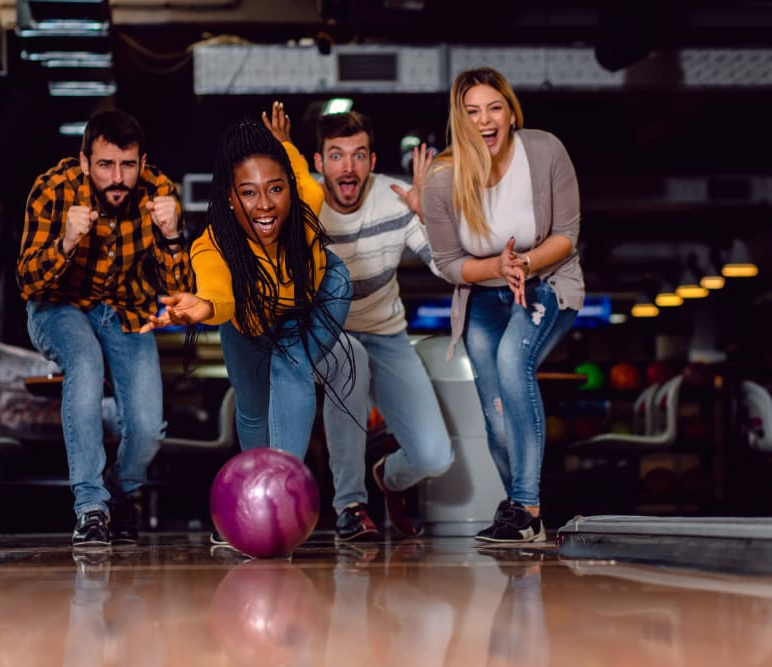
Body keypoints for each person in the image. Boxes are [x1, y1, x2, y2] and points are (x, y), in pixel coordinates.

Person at [262, 102, 455, 540]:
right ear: (318, 163)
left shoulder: (397, 198)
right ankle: (350, 504)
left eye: (358, 155)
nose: (347, 167)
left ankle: (389, 476)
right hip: (325, 333)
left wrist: (429, 215)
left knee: (434, 457)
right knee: (352, 360)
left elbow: (447, 268)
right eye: (336, 155)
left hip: (387, 334)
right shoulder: (301, 201)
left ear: (371, 160)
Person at [420, 66, 584, 543]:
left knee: (515, 363)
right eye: (471, 112)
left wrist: (523, 265)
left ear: (511, 113)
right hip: (483, 297)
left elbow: (567, 236)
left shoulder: (545, 150)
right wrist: (496, 268)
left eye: (494, 108)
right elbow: (450, 262)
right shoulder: (442, 178)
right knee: (495, 412)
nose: (484, 120)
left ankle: (527, 509)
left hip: (546, 283)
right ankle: (520, 505)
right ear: (459, 121)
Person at [17, 110, 194, 548]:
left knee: (149, 426)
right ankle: (91, 508)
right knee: (84, 361)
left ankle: (120, 493)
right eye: (105, 165)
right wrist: (66, 244)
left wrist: (172, 238)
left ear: (143, 161)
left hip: (127, 311)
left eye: (128, 165)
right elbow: (27, 282)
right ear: (84, 161)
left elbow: (180, 295)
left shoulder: (159, 192)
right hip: (59, 306)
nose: (118, 178)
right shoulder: (52, 189)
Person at [140, 117, 352, 475]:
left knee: (291, 363)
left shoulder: (308, 200)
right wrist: (204, 306)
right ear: (231, 197)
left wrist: (285, 142)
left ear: (290, 190)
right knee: (252, 408)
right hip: (247, 322)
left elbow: (297, 169)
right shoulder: (212, 245)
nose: (265, 204)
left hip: (312, 301)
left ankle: (283, 488)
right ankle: (253, 494)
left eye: (275, 189)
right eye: (249, 192)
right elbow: (217, 292)